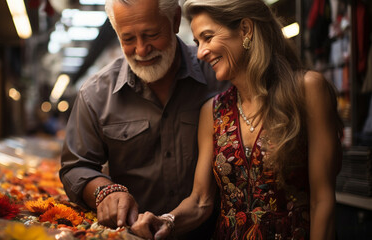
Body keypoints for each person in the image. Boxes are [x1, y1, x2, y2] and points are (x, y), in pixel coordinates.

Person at [130, 0, 343, 239]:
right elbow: (201, 201)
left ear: (245, 30)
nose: (200, 52)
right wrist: (167, 221)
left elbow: (322, 200)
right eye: (197, 42)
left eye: (208, 37)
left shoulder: (307, 90)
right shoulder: (212, 111)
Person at [59, 0, 228, 237]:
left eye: (151, 34)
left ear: (176, 21)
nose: (141, 49)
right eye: (128, 39)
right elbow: (76, 166)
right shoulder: (95, 94)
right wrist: (105, 191)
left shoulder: (219, 75)